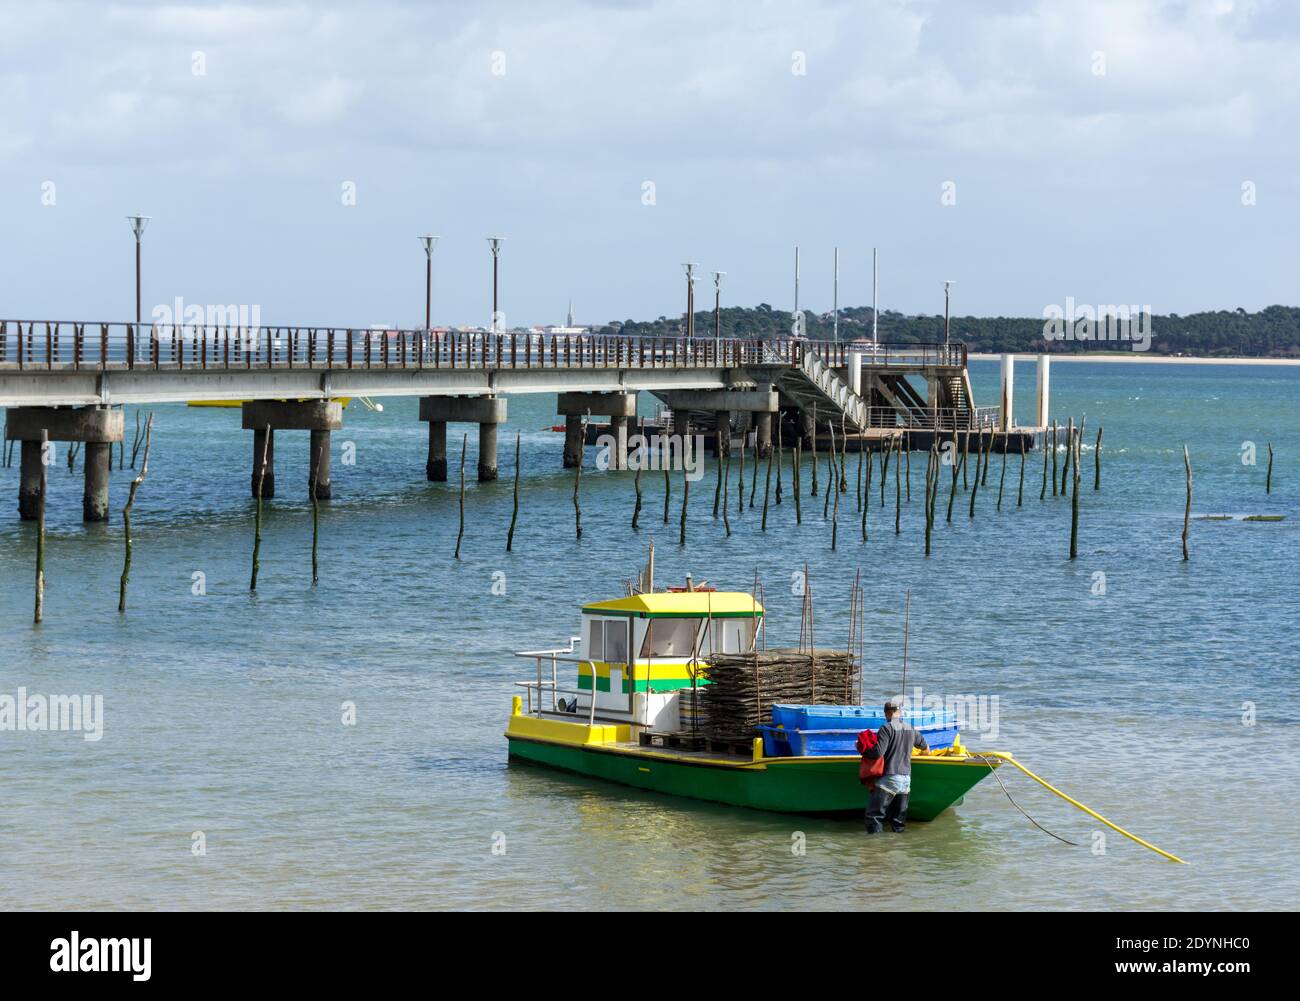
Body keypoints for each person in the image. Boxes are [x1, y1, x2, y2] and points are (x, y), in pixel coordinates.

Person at [863, 699, 928, 833]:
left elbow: (878, 752)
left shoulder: (886, 728)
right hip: (906, 781)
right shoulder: (910, 728)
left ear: (887, 714)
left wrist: (864, 750)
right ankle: (897, 848)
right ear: (900, 712)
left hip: (890, 778)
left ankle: (874, 848)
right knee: (898, 822)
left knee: (874, 816)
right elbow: (926, 748)